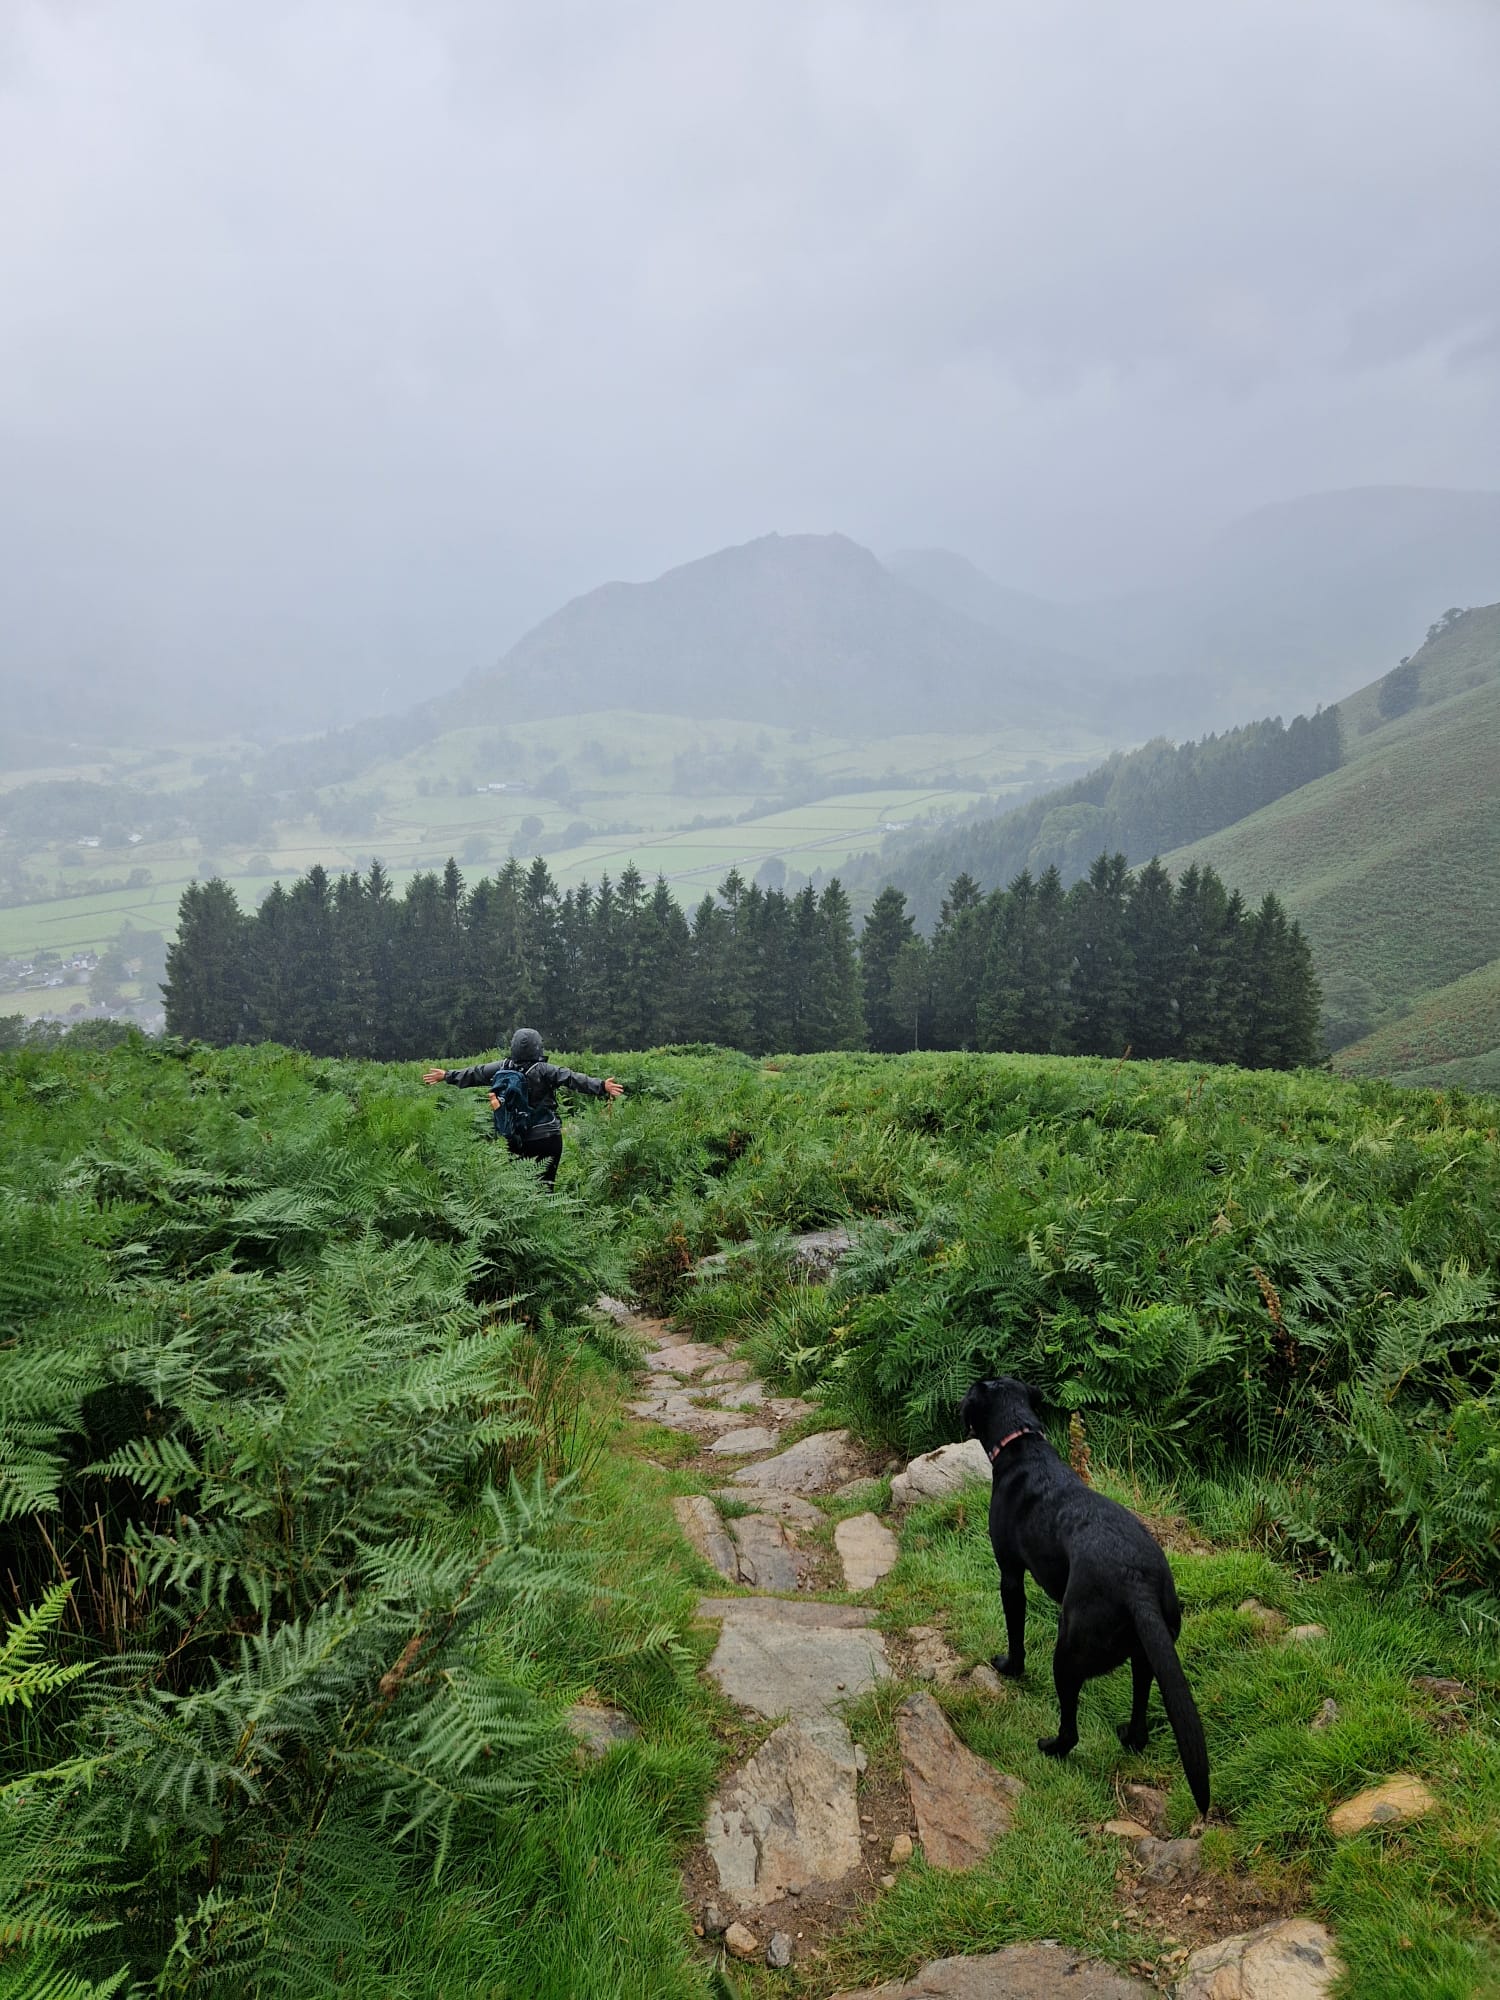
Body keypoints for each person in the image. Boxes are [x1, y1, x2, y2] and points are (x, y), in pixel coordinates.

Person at [422, 1027, 623, 1188]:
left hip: (514, 1137)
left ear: (514, 1046)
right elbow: (572, 1078)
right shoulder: (545, 1070)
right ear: (538, 1047)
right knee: (545, 1187)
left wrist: (447, 1075)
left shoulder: (503, 1067)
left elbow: (476, 1073)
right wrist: (602, 1086)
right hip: (547, 1138)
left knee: (520, 1188)